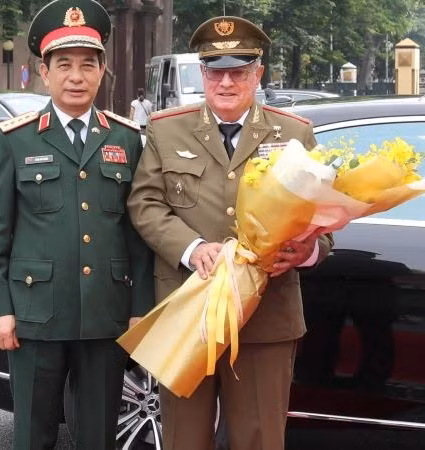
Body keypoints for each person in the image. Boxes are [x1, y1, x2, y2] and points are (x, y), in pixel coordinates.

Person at [127, 15, 333, 450]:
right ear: (202, 74)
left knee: (259, 439)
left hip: (265, 318)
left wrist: (308, 251)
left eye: (238, 71)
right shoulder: (166, 128)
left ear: (258, 74)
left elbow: (323, 218)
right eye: (215, 72)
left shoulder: (294, 133)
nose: (225, 82)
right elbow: (144, 204)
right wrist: (191, 247)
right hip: (187, 309)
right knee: (184, 439)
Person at [0, 0, 154, 448]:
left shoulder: (127, 138)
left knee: (98, 435)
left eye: (88, 65)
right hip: (35, 315)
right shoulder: (15, 139)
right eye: (64, 65)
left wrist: (141, 307)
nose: (77, 76)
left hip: (106, 316)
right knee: (32, 433)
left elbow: (138, 232)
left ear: (102, 71)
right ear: (44, 72)